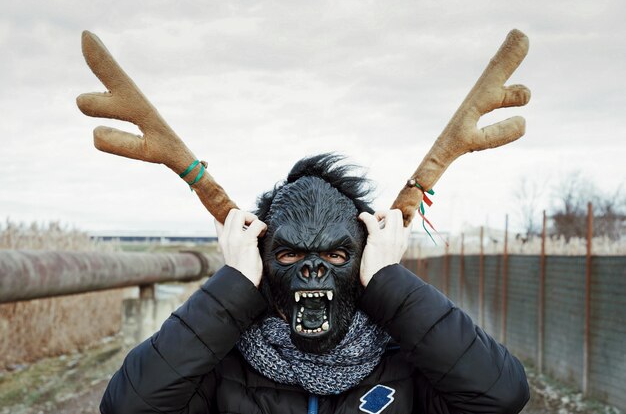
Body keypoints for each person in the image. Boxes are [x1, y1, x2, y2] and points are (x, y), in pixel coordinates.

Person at [100, 154, 529, 414]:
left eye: (335, 255)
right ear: (264, 263)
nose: (312, 270)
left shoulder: (404, 359)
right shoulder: (224, 363)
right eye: (289, 255)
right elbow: (128, 407)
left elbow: (501, 396)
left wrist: (387, 281)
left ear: (360, 262)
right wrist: (234, 285)